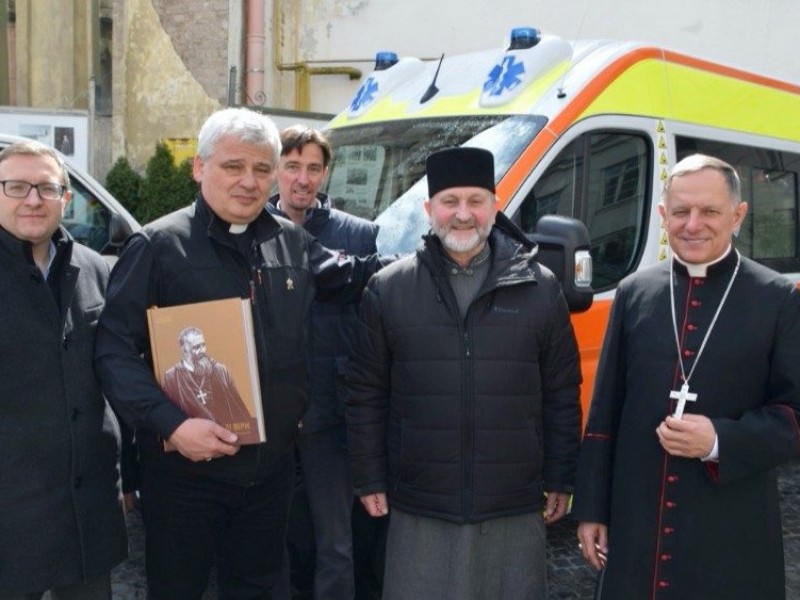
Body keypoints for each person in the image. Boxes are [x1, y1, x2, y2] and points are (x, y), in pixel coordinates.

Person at [94, 107, 385, 600]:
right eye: (233, 166)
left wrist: (442, 251)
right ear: (199, 168)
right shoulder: (158, 246)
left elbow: (355, 275)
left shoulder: (291, 240)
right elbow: (113, 349)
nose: (249, 181)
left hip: (270, 477)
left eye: (261, 168)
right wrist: (172, 424)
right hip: (185, 476)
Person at [346, 146, 582, 600]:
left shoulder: (540, 286)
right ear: (428, 209)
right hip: (421, 497)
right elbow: (366, 393)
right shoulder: (389, 289)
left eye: (475, 201)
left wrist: (561, 475)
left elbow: (560, 391)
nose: (463, 215)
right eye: (450, 201)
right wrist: (369, 475)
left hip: (511, 497)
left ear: (495, 206)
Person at [572, 154, 800, 599]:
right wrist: (592, 508)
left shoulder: (776, 298)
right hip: (638, 520)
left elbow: (795, 415)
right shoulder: (636, 291)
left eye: (709, 211)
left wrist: (719, 440)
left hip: (730, 525)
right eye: (681, 212)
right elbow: (604, 414)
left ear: (738, 215)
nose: (693, 224)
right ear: (663, 215)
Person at [0, 140, 127, 598]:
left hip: (86, 505)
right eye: (16, 186)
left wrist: (126, 474)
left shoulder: (95, 269)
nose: (33, 199)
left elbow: (116, 376)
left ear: (65, 199)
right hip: (11, 510)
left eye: (47, 188)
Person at [267, 125, 380, 600]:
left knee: (337, 544)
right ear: (275, 170)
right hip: (269, 415)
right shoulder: (251, 228)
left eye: (313, 168)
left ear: (325, 173)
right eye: (292, 166)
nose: (302, 178)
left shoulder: (359, 235)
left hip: (331, 416)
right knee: (270, 541)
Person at [162, 326, 256, 433]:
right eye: (196, 347)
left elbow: (237, 408)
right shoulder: (172, 377)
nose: (202, 351)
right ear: (184, 350)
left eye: (203, 345)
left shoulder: (220, 370)